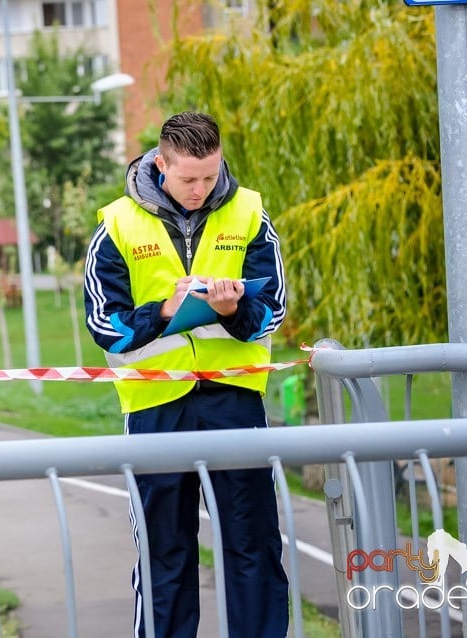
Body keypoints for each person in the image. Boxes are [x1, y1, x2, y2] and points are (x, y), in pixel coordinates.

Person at [83, 112, 289, 637]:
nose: (200, 189)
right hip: (155, 408)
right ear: (161, 164)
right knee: (164, 552)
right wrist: (166, 312)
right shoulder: (117, 225)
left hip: (234, 398)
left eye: (209, 175)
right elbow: (104, 325)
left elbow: (274, 307)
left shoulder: (250, 212)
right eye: (187, 178)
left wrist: (231, 311)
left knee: (253, 545)